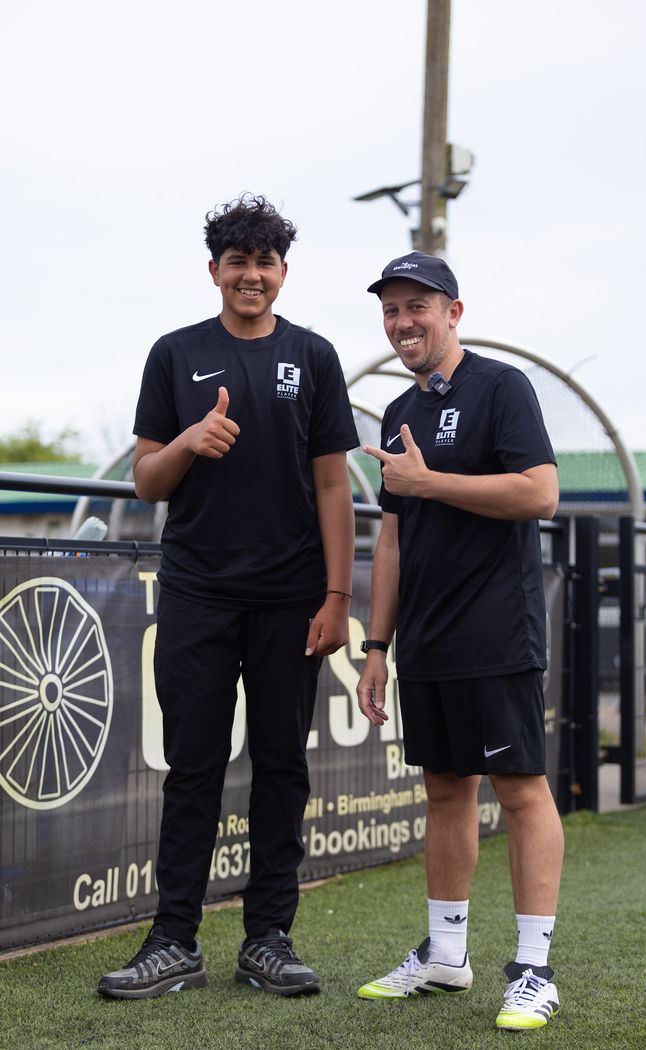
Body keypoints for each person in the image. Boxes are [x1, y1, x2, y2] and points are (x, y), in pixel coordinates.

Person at [98, 194, 358, 1000]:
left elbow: (334, 486)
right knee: (193, 768)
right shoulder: (174, 353)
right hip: (196, 593)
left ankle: (268, 939)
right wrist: (188, 439)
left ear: (283, 271)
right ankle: (173, 940)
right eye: (238, 262)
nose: (252, 275)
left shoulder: (313, 356)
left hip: (292, 599)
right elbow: (147, 481)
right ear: (213, 270)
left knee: (283, 767)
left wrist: (337, 594)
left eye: (265, 262)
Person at [355, 251, 564, 1032]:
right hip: (427, 639)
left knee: (520, 790)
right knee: (445, 790)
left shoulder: (503, 387)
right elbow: (393, 541)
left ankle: (534, 971)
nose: (403, 321)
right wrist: (377, 646)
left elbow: (540, 493)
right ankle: (446, 957)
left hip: (498, 629)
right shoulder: (395, 413)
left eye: (418, 306)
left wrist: (429, 482)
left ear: (454, 312)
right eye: (391, 309)